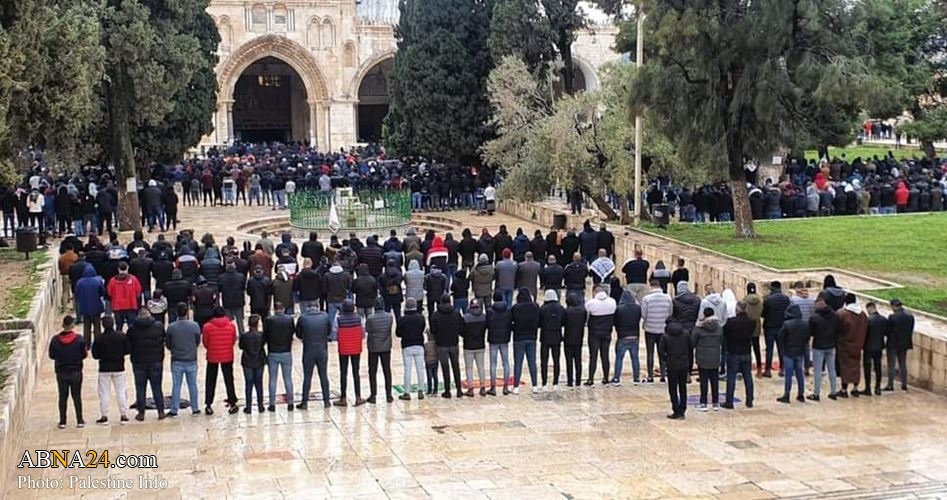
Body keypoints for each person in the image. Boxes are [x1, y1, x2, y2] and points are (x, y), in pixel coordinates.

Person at [127, 308, 167, 421]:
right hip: (156, 361)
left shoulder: (132, 329)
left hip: (139, 362)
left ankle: (141, 413)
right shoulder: (158, 326)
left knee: (140, 388)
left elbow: (129, 345)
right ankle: (160, 411)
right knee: (157, 387)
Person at [49, 315, 87, 428]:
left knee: (62, 396)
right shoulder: (79, 339)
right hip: (76, 372)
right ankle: (79, 420)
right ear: (72, 325)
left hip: (61, 372)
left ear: (63, 325)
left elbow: (51, 355)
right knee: (76, 396)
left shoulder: (55, 340)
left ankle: (63, 421)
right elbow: (84, 354)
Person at [165, 303, 201, 417]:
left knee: (176, 385)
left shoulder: (171, 327)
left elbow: (168, 344)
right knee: (193, 385)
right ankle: (195, 408)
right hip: (191, 359)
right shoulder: (195, 326)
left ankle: (174, 409)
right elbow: (197, 341)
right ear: (187, 313)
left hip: (177, 359)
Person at [91, 315, 130, 425]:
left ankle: (104, 416)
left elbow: (95, 355)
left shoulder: (99, 338)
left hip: (104, 369)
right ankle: (123, 415)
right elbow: (127, 350)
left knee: (104, 393)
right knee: (121, 391)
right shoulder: (121, 336)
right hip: (119, 367)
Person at [296, 302, 333, 409]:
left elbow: (298, 334)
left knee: (307, 377)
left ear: (308, 308)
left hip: (308, 350)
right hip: (322, 350)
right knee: (323, 376)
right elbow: (329, 331)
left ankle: (304, 402)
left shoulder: (303, 318)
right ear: (317, 306)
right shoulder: (325, 317)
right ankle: (326, 401)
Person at [203, 306, 239, 415]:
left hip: (213, 355)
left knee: (210, 380)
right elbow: (233, 340)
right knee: (229, 379)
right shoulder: (231, 326)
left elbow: (205, 342)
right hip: (227, 355)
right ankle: (232, 402)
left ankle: (208, 404)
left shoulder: (207, 327)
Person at [722, 301, 755, 409]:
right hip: (746, 352)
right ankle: (749, 400)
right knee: (748, 376)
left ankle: (729, 401)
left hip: (733, 352)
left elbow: (725, 333)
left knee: (731, 377)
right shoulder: (752, 322)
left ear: (737, 309)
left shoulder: (731, 322)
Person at [263, 302, 295, 411]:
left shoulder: (269, 320)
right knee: (288, 379)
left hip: (273, 352)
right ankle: (290, 403)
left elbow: (265, 336)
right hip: (286, 351)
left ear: (274, 309)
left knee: (272, 379)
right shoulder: (289, 319)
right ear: (284, 308)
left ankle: (272, 404)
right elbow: (292, 333)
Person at [431, 295, 464, 398]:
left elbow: (433, 330)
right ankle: (459, 390)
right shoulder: (456, 313)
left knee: (445, 368)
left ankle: (447, 390)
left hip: (441, 344)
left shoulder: (435, 315)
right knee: (456, 366)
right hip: (453, 343)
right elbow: (461, 327)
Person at [335, 299, 366, 406]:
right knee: (356, 372)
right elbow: (363, 334)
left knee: (343, 373)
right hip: (356, 348)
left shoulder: (338, 319)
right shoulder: (359, 319)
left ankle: (343, 398)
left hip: (343, 349)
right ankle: (358, 397)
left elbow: (335, 334)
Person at [836, 293, 868, 398]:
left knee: (845, 367)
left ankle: (844, 389)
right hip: (858, 344)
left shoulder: (842, 314)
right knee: (856, 366)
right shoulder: (862, 314)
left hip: (845, 345)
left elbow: (838, 329)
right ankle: (855, 388)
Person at [640, 279, 672, 383]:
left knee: (650, 352)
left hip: (650, 328)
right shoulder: (668, 298)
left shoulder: (646, 299)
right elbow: (670, 313)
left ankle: (650, 376)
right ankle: (663, 375)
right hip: (663, 328)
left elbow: (644, 314)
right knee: (662, 352)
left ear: (651, 286)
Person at [659, 319, 692, 419]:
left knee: (673, 388)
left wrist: (667, 359)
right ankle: (682, 409)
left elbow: (661, 352)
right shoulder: (686, 333)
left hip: (672, 364)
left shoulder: (665, 336)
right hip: (684, 363)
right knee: (683, 387)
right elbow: (690, 348)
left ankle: (676, 410)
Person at [808, 297, 839, 401]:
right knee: (832, 369)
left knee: (817, 371)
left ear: (818, 305)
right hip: (831, 345)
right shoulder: (834, 315)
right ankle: (833, 391)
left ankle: (816, 394)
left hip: (818, 346)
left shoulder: (814, 318)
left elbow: (811, 332)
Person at [585, 284, 617, 386]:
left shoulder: (591, 303)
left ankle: (590, 378)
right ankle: (606, 378)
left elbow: (586, 318)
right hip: (607, 332)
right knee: (605, 355)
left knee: (593, 356)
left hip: (594, 333)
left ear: (594, 292)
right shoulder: (612, 302)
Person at [510, 288, 541, 394]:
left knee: (518, 362)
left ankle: (516, 387)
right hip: (532, 337)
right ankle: (535, 385)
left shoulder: (515, 308)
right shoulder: (535, 307)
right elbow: (539, 321)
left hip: (519, 338)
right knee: (532, 362)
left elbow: (511, 322)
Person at [777, 304, 808, 404]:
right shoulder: (805, 323)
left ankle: (787, 395)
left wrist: (783, 349)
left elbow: (780, 338)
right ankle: (801, 394)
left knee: (788, 375)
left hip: (788, 352)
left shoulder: (787, 324)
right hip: (800, 352)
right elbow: (807, 338)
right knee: (800, 374)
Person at [692, 308, 723, 410]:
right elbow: (721, 340)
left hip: (702, 357)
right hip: (715, 357)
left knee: (704, 381)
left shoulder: (699, 328)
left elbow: (693, 342)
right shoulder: (719, 327)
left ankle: (703, 403)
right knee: (715, 381)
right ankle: (715, 403)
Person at [396, 298, 426, 400]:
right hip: (419, 344)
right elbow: (422, 328)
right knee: (420, 369)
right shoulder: (421, 318)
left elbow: (398, 333)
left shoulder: (402, 319)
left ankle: (407, 392)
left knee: (407, 369)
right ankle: (421, 390)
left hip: (407, 346)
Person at [366, 297, 394, 404]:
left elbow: (368, 330)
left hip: (373, 347)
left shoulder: (370, 318)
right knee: (387, 370)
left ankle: (373, 395)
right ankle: (389, 395)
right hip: (386, 347)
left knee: (372, 371)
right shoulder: (389, 317)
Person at [612, 290, 641, 386]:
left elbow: (615, 322)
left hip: (622, 336)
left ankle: (616, 378)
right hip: (635, 336)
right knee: (635, 358)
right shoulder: (637, 308)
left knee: (619, 358)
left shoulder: (619, 309)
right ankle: (636, 378)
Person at [761, 281, 790, 378]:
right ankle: (783, 369)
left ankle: (768, 370)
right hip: (782, 326)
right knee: (781, 348)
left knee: (769, 349)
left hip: (769, 327)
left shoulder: (768, 299)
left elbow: (763, 314)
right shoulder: (786, 299)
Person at [486, 291, 513, 395]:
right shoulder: (508, 311)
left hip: (493, 339)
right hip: (504, 338)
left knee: (493, 363)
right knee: (505, 362)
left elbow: (487, 325)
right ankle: (505, 387)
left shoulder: (490, 311)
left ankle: (493, 387)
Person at [885, 299, 914, 392]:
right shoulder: (910, 316)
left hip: (893, 344)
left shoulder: (892, 317)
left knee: (891, 365)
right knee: (902, 364)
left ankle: (890, 385)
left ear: (894, 306)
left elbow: (888, 330)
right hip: (905, 343)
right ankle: (904, 385)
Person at [239, 314, 266, 413]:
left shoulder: (244, 336)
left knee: (248, 384)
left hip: (247, 361)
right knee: (259, 383)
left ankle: (249, 406)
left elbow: (241, 346)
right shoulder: (261, 335)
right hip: (259, 360)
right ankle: (260, 405)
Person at [538, 289, 565, 391]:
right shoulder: (560, 308)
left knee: (544, 361)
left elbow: (539, 323)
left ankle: (544, 383)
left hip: (545, 337)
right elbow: (563, 321)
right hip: (557, 336)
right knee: (556, 360)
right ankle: (555, 383)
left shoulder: (543, 308)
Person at [462, 299, 488, 396]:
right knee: (481, 367)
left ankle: (471, 389)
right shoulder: (484, 317)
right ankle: (482, 387)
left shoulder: (465, 318)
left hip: (468, 346)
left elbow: (461, 331)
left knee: (469, 368)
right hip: (480, 345)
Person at [75, 265, 106, 344]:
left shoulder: (79, 282)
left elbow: (77, 294)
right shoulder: (98, 281)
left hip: (85, 306)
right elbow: (102, 292)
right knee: (97, 325)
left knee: (86, 326)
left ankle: (86, 343)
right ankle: (98, 342)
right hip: (96, 305)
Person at [861, 302, 887, 396]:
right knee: (878, 368)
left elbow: (863, 333)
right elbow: (886, 333)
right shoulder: (884, 319)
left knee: (867, 368)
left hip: (868, 347)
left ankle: (868, 388)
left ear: (869, 309)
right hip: (879, 347)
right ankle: (878, 388)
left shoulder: (868, 320)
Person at [108, 262, 143, 331]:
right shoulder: (133, 279)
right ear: (127, 268)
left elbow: (109, 293)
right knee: (132, 327)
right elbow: (138, 291)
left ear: (118, 269)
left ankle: (119, 340)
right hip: (131, 305)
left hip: (117, 306)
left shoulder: (112, 281)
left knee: (119, 326)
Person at [563, 295, 587, 387]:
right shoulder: (582, 311)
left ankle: (570, 381)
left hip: (568, 339)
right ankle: (578, 381)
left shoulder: (567, 311)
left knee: (569, 361)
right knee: (578, 361)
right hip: (579, 338)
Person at [743, 283, 764, 377]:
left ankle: (747, 368)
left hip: (747, 326)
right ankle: (759, 369)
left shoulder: (744, 301)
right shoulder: (760, 300)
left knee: (747, 348)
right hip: (757, 325)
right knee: (757, 348)